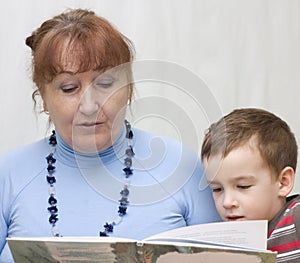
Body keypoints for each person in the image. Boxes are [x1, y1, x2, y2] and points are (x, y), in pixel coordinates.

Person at [0, 8, 220, 262]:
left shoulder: (183, 168)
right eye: (69, 88)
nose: (90, 105)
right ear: (44, 97)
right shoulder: (8, 175)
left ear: (128, 87)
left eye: (105, 84)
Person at [201, 107, 300, 262]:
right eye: (217, 189)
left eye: (243, 186)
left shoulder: (296, 217)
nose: (227, 202)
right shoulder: (227, 239)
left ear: (283, 182)